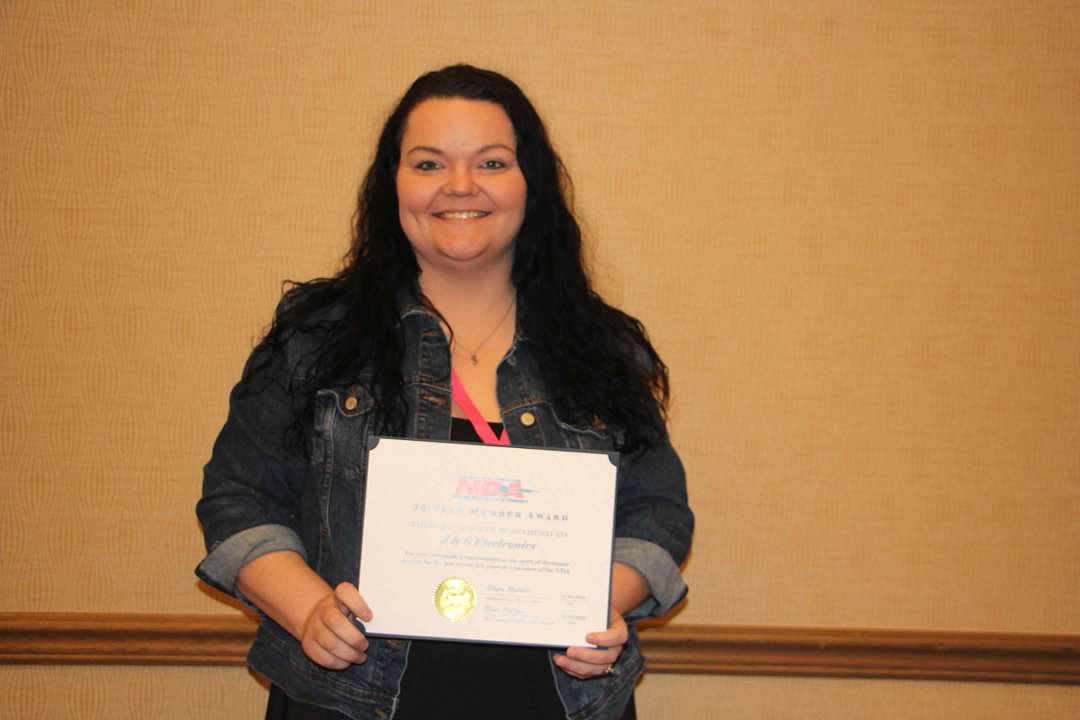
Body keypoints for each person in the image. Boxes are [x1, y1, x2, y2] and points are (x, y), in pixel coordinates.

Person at [196, 64, 693, 720]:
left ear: (531, 184)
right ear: (393, 184)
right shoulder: (318, 338)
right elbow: (238, 498)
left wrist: (598, 605)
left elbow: (656, 512)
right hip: (347, 702)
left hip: (558, 702)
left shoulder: (601, 348)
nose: (460, 185)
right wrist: (308, 609)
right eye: (429, 164)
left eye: (491, 163)